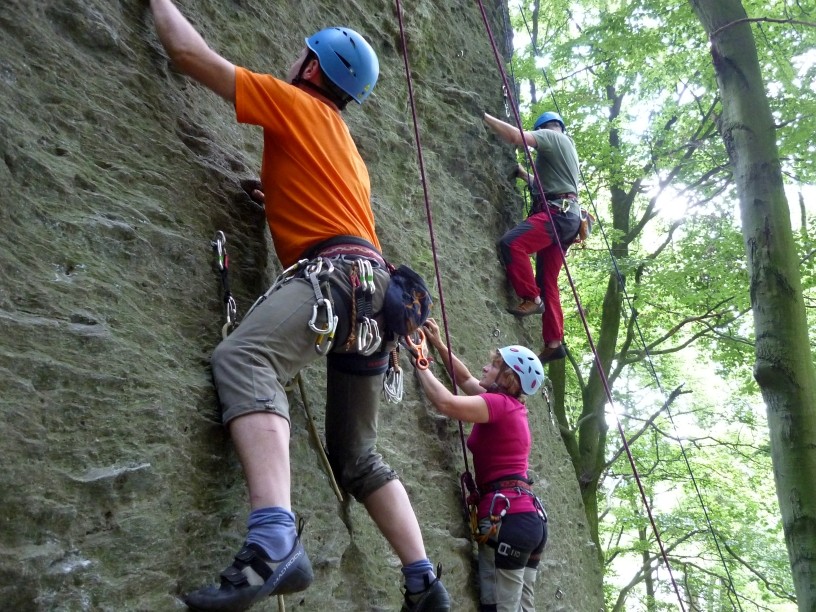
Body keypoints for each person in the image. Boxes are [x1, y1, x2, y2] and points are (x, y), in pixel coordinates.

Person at [147, 2, 449, 611]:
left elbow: (189, 55)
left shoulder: (295, 103)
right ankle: (423, 581)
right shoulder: (346, 147)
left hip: (334, 280)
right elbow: (327, 203)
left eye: (301, 56)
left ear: (313, 69)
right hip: (373, 299)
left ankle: (272, 542)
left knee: (246, 360)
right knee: (357, 455)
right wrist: (278, 197)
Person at [413, 319, 548, 612]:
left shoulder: (499, 405)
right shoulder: (509, 406)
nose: (486, 368)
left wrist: (420, 362)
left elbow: (447, 404)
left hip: (509, 520)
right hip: (524, 521)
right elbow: (465, 380)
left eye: (495, 365)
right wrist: (436, 343)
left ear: (508, 377)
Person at [483, 111, 582, 364]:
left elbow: (517, 137)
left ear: (547, 128)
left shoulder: (551, 136)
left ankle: (531, 298)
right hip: (568, 218)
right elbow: (547, 185)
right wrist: (523, 174)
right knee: (548, 280)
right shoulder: (566, 150)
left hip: (556, 215)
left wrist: (484, 116)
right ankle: (554, 341)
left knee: (512, 243)